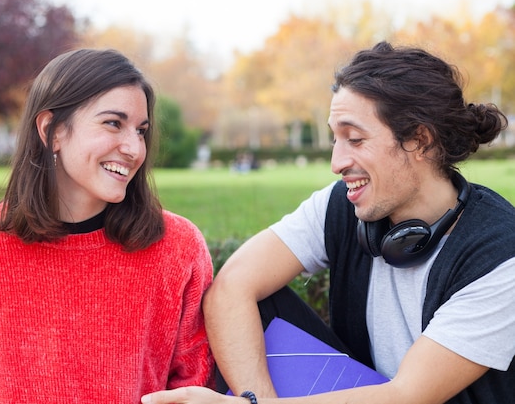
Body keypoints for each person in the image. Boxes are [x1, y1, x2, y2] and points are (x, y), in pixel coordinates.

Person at [141, 41, 515, 404]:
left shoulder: (500, 254)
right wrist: (257, 401)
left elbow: (407, 395)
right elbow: (230, 289)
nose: (336, 162)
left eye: (354, 139)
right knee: (255, 298)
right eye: (336, 139)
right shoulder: (343, 203)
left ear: (419, 140)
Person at [0, 48, 214, 404]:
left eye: (141, 131)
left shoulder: (178, 246)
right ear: (51, 131)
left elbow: (197, 386)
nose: (134, 148)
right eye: (113, 123)